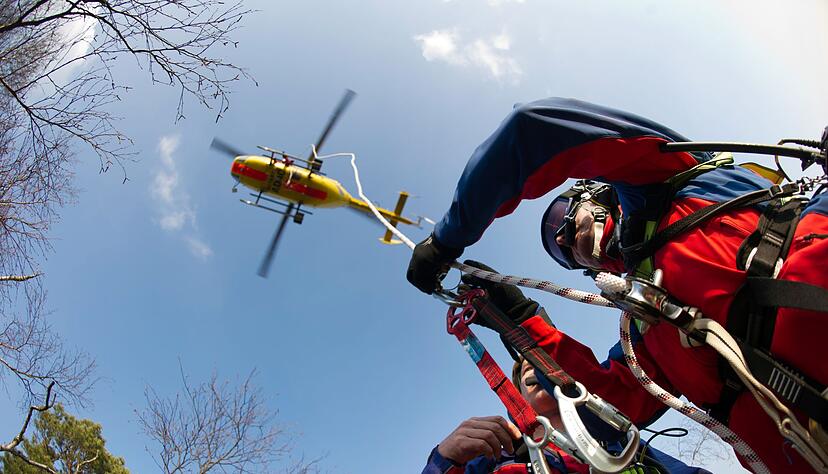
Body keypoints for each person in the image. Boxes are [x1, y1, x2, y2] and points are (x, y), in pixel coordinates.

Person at [407, 98, 828, 472]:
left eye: (562, 219)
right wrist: (518, 319)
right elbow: (615, 402)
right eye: (562, 255)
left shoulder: (673, 178)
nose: (562, 240)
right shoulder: (644, 328)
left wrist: (448, 238)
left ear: (596, 194)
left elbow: (534, 130)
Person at [422, 357, 711, 473]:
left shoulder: (619, 443)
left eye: (536, 364)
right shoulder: (492, 453)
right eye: (523, 372)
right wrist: (443, 460)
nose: (528, 368)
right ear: (518, 397)